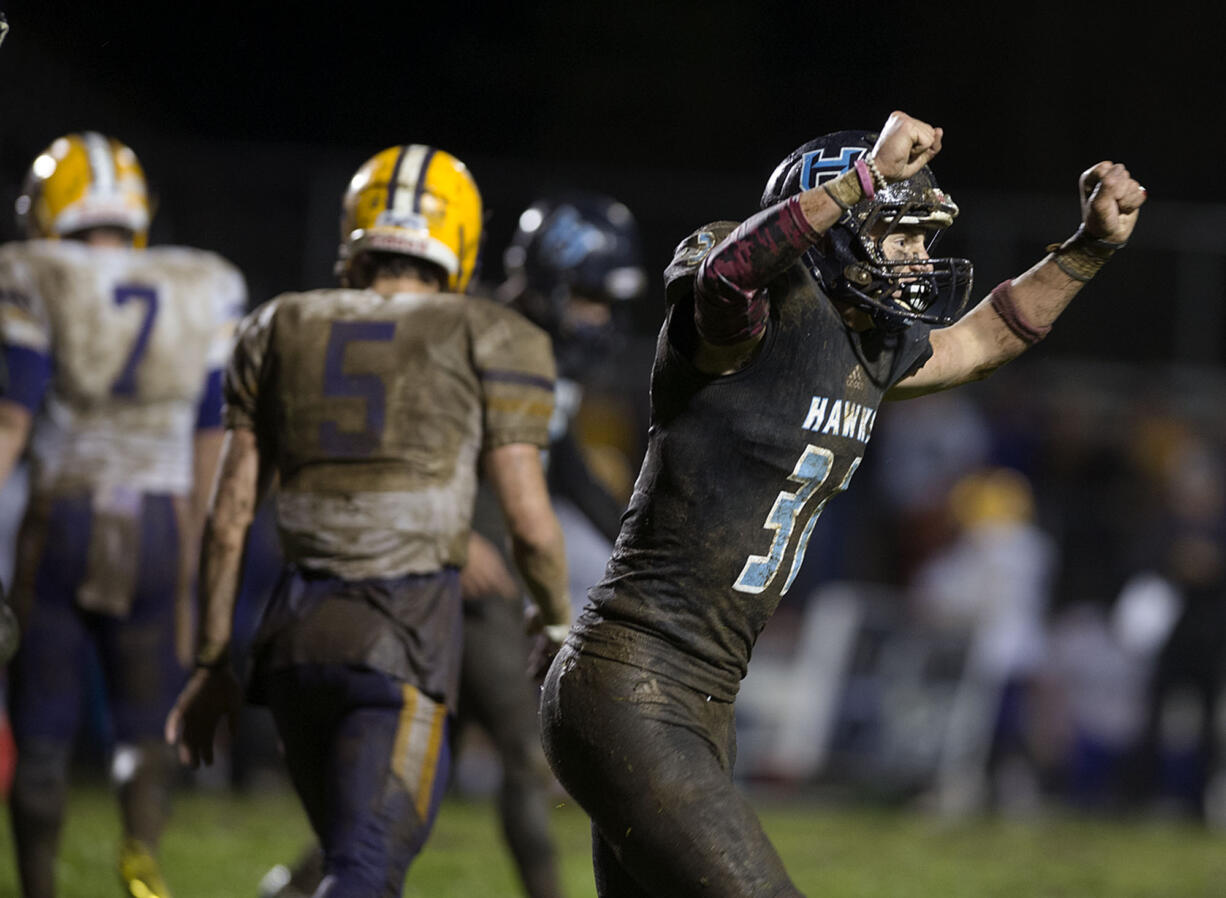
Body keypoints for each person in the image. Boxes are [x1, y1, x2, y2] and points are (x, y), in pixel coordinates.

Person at [539, 110, 1146, 897]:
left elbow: (986, 336)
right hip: (631, 685)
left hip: (698, 700)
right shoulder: (752, 313)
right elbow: (727, 274)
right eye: (901, 234)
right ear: (838, 228)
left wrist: (1088, 250)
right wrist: (864, 178)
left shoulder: (864, 346)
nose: (919, 258)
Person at [165, 144, 572, 898]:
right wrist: (553, 620)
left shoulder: (277, 323)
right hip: (403, 636)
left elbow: (229, 518)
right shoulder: (496, 334)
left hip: (290, 642)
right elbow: (529, 520)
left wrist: (211, 663)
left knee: (348, 859)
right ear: (461, 236)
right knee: (364, 872)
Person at [0, 133, 245, 898]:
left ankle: (38, 885)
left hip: (66, 512)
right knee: (145, 721)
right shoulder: (202, 279)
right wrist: (209, 546)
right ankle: (141, 861)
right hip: (161, 523)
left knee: (40, 730)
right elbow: (214, 432)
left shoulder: (32, 271)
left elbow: (12, 420)